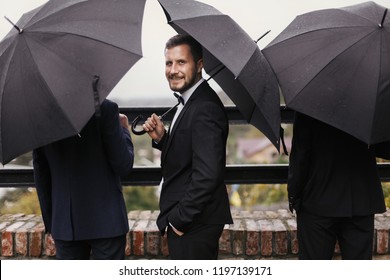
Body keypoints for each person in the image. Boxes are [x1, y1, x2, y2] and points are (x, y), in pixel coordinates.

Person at [142, 34, 233, 260]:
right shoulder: (190, 100)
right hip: (192, 223)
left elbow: (208, 174)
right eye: (169, 63)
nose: (173, 70)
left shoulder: (205, 107)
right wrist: (163, 139)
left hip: (195, 224)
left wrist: (179, 221)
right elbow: (190, 155)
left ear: (199, 65)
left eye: (181, 62)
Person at [33, 99, 134, 260]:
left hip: (65, 224)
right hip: (107, 222)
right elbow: (124, 165)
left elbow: (41, 174)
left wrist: (52, 223)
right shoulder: (105, 108)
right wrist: (124, 129)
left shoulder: (40, 116)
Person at [288, 112, 387, 260]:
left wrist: (294, 195)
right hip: (361, 200)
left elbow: (300, 157)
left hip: (318, 198)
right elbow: (384, 147)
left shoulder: (309, 105)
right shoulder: (371, 103)